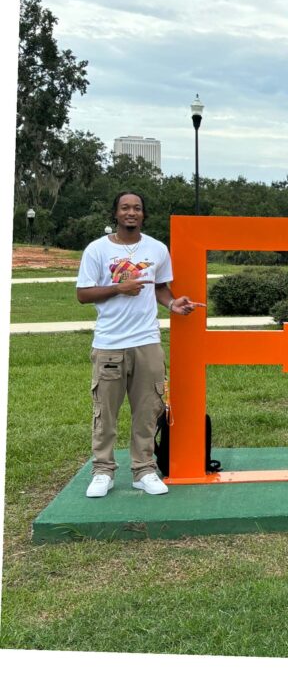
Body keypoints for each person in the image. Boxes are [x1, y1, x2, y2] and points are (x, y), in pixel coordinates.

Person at [76, 191, 200, 497]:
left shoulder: (157, 249)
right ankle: (103, 470)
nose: (131, 212)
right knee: (105, 412)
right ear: (115, 214)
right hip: (109, 342)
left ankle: (143, 469)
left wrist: (173, 304)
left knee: (148, 410)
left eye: (137, 208)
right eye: (125, 208)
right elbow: (83, 294)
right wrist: (120, 287)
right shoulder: (97, 250)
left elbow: (160, 288)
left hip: (147, 341)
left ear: (143, 215)